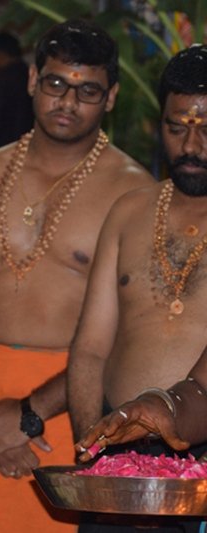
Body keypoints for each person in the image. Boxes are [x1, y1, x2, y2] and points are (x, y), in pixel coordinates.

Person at [0, 19, 154, 533]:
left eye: (87, 90)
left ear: (110, 97)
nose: (68, 102)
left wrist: (26, 414)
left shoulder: (135, 195)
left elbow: (132, 337)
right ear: (31, 81)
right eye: (56, 84)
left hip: (72, 413)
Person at [67, 44, 207, 533]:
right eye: (176, 128)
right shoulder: (129, 211)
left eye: (206, 130)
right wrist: (94, 454)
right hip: (118, 445)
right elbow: (90, 347)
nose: (191, 146)